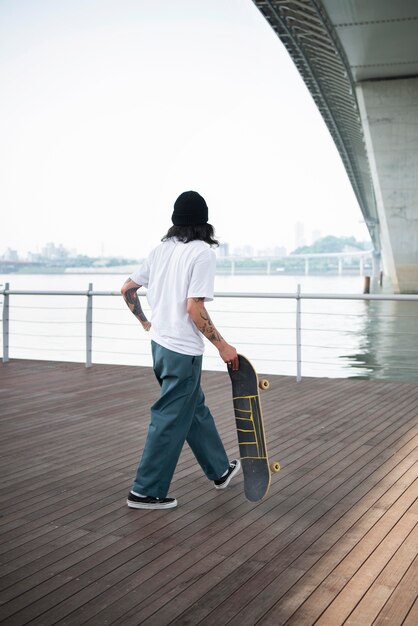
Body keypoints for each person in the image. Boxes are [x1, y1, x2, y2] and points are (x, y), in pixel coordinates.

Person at [121, 190, 241, 510]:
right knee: (169, 418)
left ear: (175, 222)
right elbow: (194, 308)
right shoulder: (202, 253)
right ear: (205, 223)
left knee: (192, 408)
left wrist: (146, 323)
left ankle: (219, 470)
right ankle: (145, 491)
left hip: (159, 347)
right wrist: (223, 346)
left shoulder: (161, 250)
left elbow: (128, 289)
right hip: (182, 351)